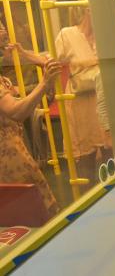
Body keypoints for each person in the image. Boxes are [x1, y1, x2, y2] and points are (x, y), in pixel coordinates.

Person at [1, 39, 62, 218]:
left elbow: (25, 100)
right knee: (30, 215)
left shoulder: (4, 81)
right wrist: (44, 83)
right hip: (8, 159)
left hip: (16, 151)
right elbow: (16, 111)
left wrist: (25, 55)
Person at [55, 0, 110, 183]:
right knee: (86, 164)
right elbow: (53, 61)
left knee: (110, 155)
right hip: (80, 104)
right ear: (88, 11)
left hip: (103, 100)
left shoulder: (105, 36)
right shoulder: (67, 35)